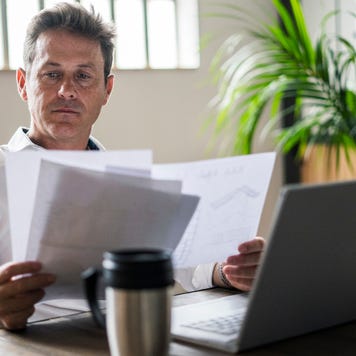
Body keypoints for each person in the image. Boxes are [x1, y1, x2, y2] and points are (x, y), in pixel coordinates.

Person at [0, 2, 265, 330]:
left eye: (83, 76)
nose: (67, 90)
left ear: (106, 90)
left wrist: (229, 268)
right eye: (52, 74)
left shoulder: (129, 182)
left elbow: (184, 258)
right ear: (24, 84)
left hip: (120, 340)